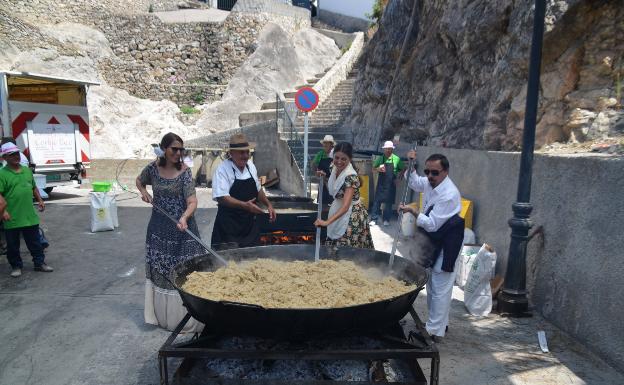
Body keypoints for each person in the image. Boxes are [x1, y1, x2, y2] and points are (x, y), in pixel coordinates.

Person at [136, 132, 204, 332]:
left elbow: (192, 201)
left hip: (183, 231)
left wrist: (184, 217)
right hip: (158, 230)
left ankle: (188, 319)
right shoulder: (152, 169)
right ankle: (165, 318)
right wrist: (144, 192)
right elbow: (139, 181)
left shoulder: (185, 172)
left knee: (186, 272)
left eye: (180, 149)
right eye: (174, 149)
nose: (178, 153)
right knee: (163, 271)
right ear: (164, 149)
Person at [399, 151, 464, 342]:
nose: (429, 176)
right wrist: (411, 163)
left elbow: (432, 224)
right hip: (434, 238)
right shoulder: (429, 182)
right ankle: (438, 323)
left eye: (434, 173)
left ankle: (434, 331)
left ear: (446, 172)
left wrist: (412, 211)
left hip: (448, 241)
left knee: (440, 286)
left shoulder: (449, 194)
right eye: (427, 171)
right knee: (432, 284)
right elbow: (414, 182)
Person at [211, 133, 276, 250]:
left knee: (252, 261)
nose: (246, 156)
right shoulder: (222, 169)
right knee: (229, 263)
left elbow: (258, 189)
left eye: (247, 152)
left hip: (249, 227)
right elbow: (221, 197)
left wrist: (268, 204)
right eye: (242, 152)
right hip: (229, 228)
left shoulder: (250, 166)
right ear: (231, 153)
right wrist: (245, 205)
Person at [0, 142, 53, 278]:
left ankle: (39, 263)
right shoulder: (2, 174)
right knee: (12, 246)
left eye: (16, 153)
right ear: (4, 157)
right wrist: (3, 211)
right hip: (12, 217)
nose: (15, 156)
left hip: (29, 216)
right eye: (11, 155)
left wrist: (40, 200)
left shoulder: (26, 170)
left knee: (35, 243)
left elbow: (33, 187)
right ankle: (16, 266)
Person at [314, 142, 373, 249]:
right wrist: (323, 178)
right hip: (338, 209)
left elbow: (345, 206)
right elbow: (335, 191)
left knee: (347, 250)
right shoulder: (333, 168)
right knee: (334, 244)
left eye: (343, 159)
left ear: (349, 159)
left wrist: (327, 222)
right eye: (336, 157)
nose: (339, 162)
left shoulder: (350, 177)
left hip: (352, 216)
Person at [370, 140, 404, 227]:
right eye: (386, 149)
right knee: (377, 201)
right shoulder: (380, 158)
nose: (388, 151)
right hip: (381, 183)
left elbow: (403, 169)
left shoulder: (397, 159)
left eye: (390, 149)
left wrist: (399, 179)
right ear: (384, 149)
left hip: (391, 184)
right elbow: (373, 168)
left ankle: (386, 219)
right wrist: (378, 169)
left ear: (392, 149)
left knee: (389, 202)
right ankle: (374, 219)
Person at [311, 134, 335, 204]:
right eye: (324, 144)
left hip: (332, 182)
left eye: (327, 144)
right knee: (322, 203)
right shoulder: (320, 154)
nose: (325, 146)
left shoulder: (335, 154)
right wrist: (316, 172)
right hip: (322, 183)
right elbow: (313, 164)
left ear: (331, 145)